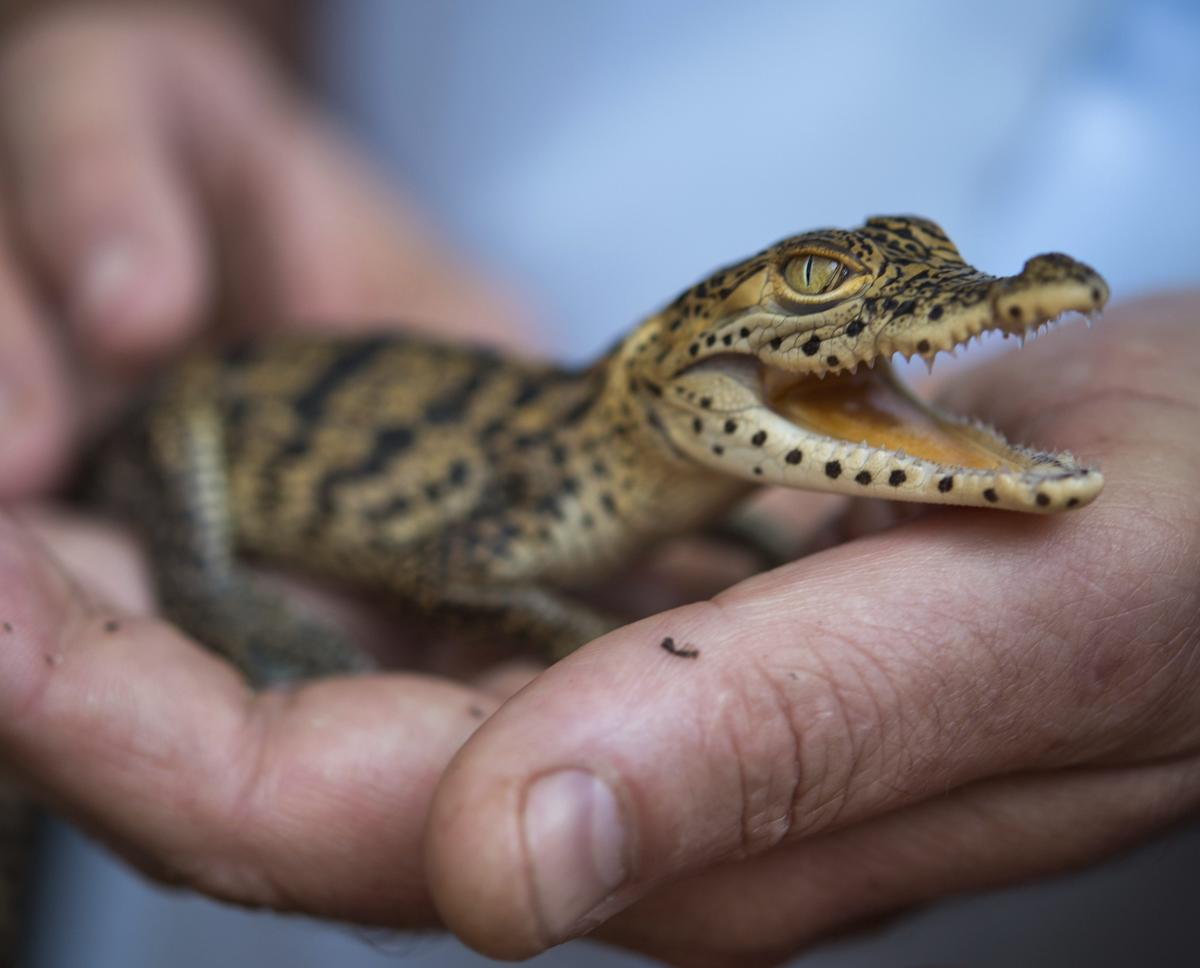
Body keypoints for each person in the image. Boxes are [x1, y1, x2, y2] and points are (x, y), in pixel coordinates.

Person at [0, 3, 1197, 965]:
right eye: (822, 279)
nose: (896, 307)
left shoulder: (690, 474)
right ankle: (203, 592)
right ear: (686, 360)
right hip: (196, 418)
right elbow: (447, 565)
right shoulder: (580, 469)